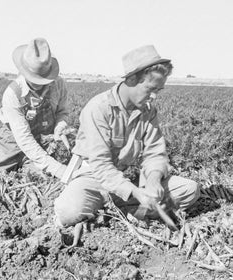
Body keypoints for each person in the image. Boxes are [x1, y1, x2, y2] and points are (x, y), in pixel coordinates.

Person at [54, 44, 200, 227]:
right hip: (95, 178)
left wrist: (154, 180)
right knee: (68, 213)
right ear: (131, 80)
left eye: (158, 91)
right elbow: (101, 166)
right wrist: (136, 192)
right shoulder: (99, 108)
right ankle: (126, 207)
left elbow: (155, 153)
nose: (154, 96)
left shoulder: (148, 112)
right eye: (151, 89)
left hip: (129, 179)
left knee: (189, 190)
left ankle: (124, 210)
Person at [0, 38, 69, 179]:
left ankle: (27, 166)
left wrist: (59, 126)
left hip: (40, 144)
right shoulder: (13, 93)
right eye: (35, 78)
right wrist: (58, 169)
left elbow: (62, 112)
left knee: (45, 182)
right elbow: (24, 139)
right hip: (10, 144)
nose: (40, 84)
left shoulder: (59, 85)